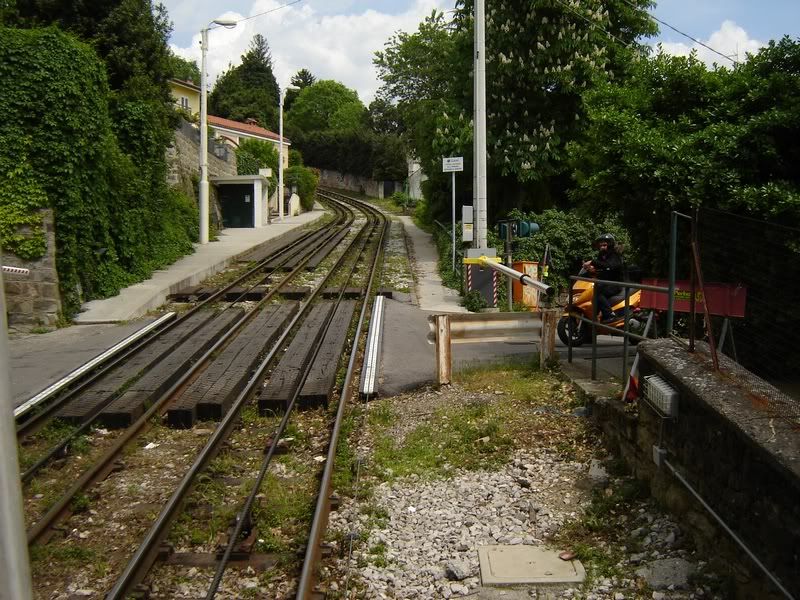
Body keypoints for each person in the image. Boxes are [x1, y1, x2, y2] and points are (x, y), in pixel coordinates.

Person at [582, 233, 623, 323]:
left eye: (604, 245)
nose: (602, 247)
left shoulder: (615, 256)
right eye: (600, 245)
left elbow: (609, 266)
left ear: (610, 245)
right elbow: (600, 266)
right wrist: (591, 269)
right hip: (604, 283)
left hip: (615, 284)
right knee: (592, 290)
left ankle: (610, 314)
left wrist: (593, 262)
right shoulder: (601, 255)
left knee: (597, 291)